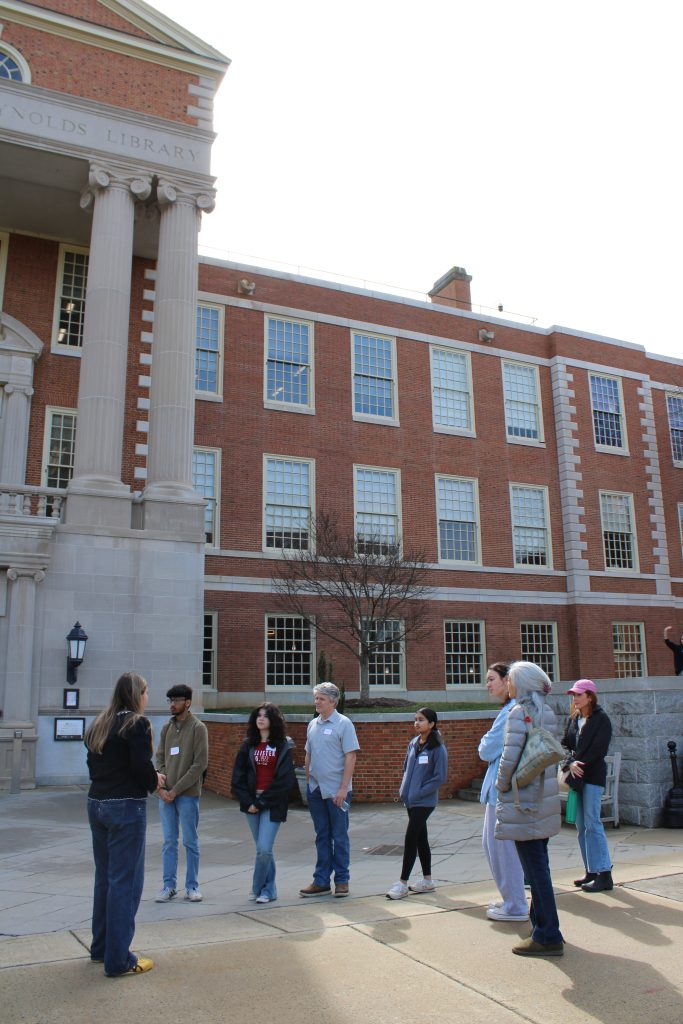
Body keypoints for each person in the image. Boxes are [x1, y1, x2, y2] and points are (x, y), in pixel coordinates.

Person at [85, 671, 163, 977]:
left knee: (105, 879)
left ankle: (101, 948)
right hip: (125, 807)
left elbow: (93, 765)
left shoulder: (100, 723)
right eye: (146, 692)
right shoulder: (136, 724)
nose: (147, 697)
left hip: (97, 803)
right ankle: (118, 959)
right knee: (125, 883)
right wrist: (155, 781)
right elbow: (140, 766)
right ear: (137, 694)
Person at [495, 660, 564, 957]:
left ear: (520, 684)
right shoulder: (545, 712)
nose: (507, 684)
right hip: (543, 799)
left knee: (535, 872)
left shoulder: (517, 713)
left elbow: (508, 758)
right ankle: (541, 928)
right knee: (539, 866)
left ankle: (548, 934)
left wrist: (500, 785)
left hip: (524, 800)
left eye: (510, 679)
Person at [300, 682, 360, 898]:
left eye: (321, 699)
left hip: (337, 791)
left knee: (339, 836)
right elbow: (308, 753)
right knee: (322, 836)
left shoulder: (344, 724)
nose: (317, 702)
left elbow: (351, 756)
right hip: (316, 789)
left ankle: (342, 880)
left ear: (333, 702)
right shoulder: (312, 724)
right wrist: (308, 780)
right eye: (316, 698)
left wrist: (343, 788)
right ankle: (321, 881)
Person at [231, 702, 296, 904]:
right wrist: (249, 802)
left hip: (272, 804)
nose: (261, 719)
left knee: (264, 848)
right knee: (262, 850)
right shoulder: (248, 745)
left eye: (265, 716)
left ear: (273, 720)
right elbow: (238, 778)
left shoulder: (282, 746)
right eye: (258, 715)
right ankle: (269, 890)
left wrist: (261, 803)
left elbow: (285, 781)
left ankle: (257, 887)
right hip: (251, 804)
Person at [478, 663, 528, 922]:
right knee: (496, 846)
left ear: (507, 680)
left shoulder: (510, 712)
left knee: (501, 849)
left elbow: (486, 749)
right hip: (501, 790)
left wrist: (485, 740)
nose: (488, 684)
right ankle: (512, 900)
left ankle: (515, 905)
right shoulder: (513, 709)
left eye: (492, 679)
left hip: (502, 792)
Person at [386, 707, 448, 899]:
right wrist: (405, 790)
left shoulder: (437, 748)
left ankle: (402, 883)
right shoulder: (414, 743)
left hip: (425, 801)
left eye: (421, 720)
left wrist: (420, 791)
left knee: (411, 837)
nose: (417, 723)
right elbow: (406, 767)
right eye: (416, 719)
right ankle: (427, 881)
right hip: (411, 800)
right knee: (421, 838)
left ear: (432, 723)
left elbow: (440, 777)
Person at [155, 683, 209, 903]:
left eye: (176, 701)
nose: (172, 705)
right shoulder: (166, 728)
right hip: (166, 795)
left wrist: (176, 790)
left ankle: (192, 886)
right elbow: (159, 757)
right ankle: (168, 886)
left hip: (187, 794)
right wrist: (161, 786)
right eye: (170, 700)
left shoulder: (198, 728)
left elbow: (199, 764)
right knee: (169, 841)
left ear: (187, 702)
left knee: (190, 841)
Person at [561, 679, 614, 893]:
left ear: (590, 697)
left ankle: (604, 874)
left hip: (592, 777)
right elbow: (564, 745)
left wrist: (578, 764)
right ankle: (591, 871)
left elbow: (599, 750)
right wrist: (570, 763)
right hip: (576, 778)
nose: (575, 698)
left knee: (593, 823)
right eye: (573, 695)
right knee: (581, 826)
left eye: (579, 694)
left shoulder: (601, 719)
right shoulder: (574, 719)